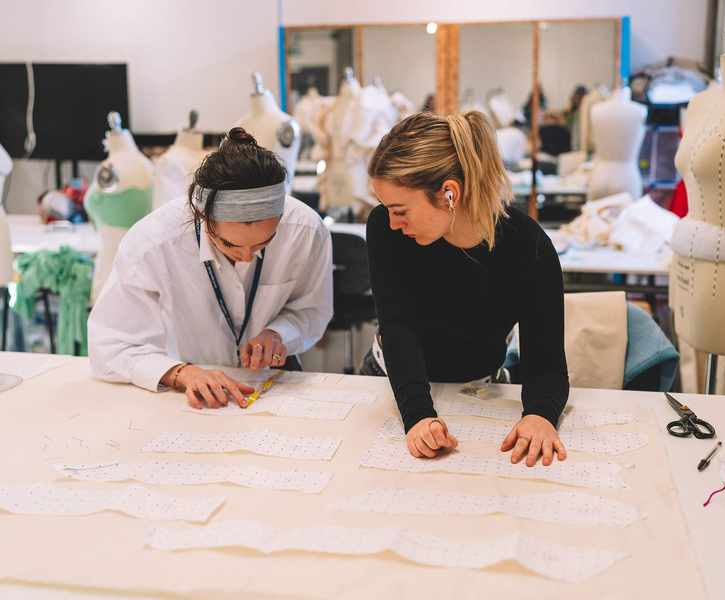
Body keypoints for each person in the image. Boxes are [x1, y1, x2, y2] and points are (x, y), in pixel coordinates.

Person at [363, 111, 569, 468]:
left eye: (400, 210)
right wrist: (418, 416)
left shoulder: (526, 245)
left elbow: (546, 359)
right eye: (386, 208)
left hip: (481, 387)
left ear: (449, 193)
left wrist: (539, 414)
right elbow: (398, 328)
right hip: (396, 379)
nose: (393, 223)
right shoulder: (386, 229)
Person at [89, 127, 333, 409]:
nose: (246, 258)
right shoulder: (152, 243)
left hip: (273, 387)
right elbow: (109, 344)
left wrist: (279, 334)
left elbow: (312, 309)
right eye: (229, 245)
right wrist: (179, 373)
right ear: (202, 216)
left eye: (263, 244)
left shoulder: (305, 230)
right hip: (187, 394)